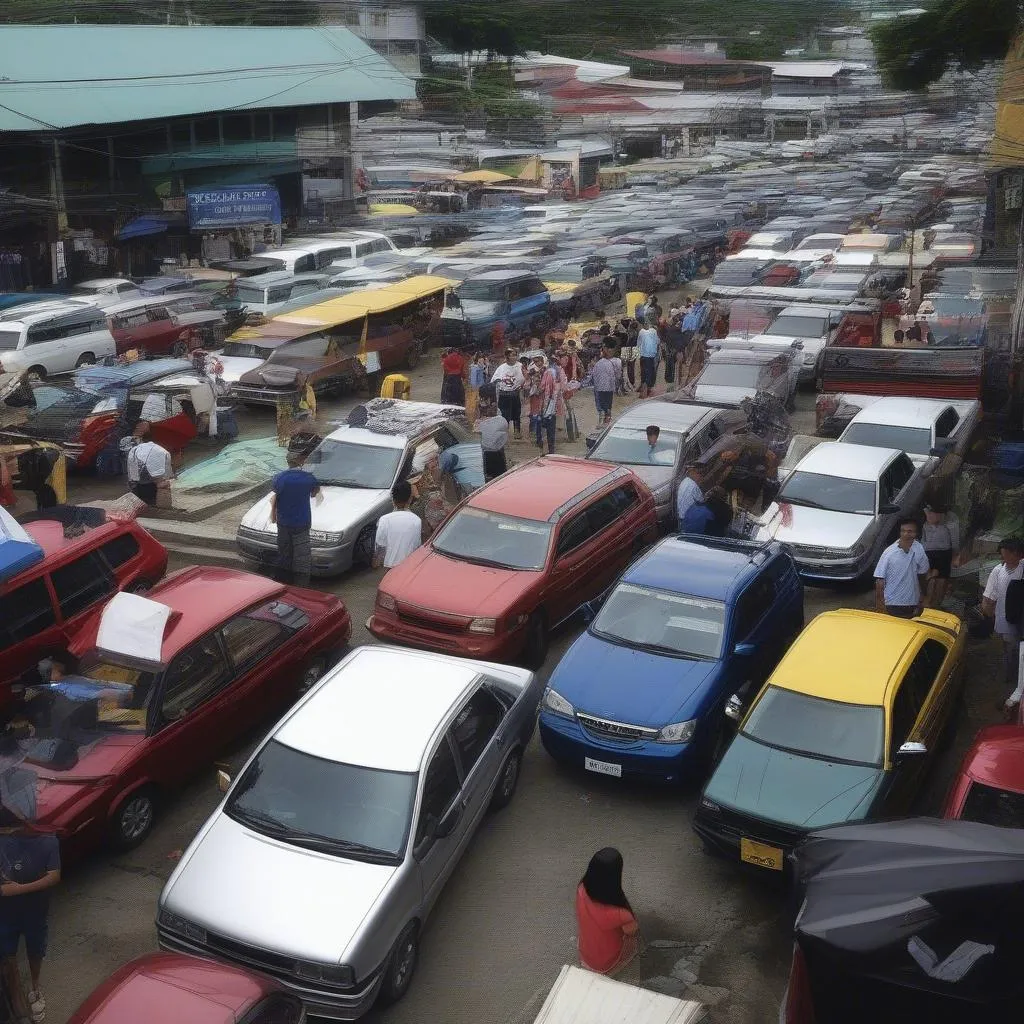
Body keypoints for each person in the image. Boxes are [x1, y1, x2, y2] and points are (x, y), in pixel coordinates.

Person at [0, 802, 60, 1024]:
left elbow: (54, 876)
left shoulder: (47, 840)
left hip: (35, 911)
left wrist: (17, 889)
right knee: (8, 955)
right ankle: (16, 998)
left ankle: (35, 988)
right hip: (5, 914)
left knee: (35, 951)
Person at [576, 848, 639, 976]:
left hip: (586, 950)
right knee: (633, 941)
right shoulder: (621, 914)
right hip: (606, 962)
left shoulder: (581, 889)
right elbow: (631, 932)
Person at [982, 537, 1024, 711]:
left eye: (1007, 552)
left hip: (1021, 617)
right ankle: (1011, 677)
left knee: (1018, 648)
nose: (1004, 556)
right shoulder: (998, 571)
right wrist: (987, 611)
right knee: (1009, 648)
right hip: (1004, 618)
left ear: (1017, 554)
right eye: (1003, 552)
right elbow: (989, 595)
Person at [269, 451, 320, 587]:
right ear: (300, 462)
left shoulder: (279, 478)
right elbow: (314, 493)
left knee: (284, 553)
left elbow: (275, 494)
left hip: (284, 523)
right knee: (302, 556)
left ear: (288, 462)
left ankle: (283, 584)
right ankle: (301, 586)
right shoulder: (309, 478)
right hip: (302, 523)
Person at [874, 518, 930, 618]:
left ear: (916, 533)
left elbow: (923, 575)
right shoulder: (889, 553)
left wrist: (923, 597)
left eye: (910, 531)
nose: (906, 534)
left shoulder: (919, 548)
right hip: (893, 603)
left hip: (913, 603)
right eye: (903, 531)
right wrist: (880, 606)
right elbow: (879, 581)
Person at [373, 481, 422, 570]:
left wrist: (376, 560)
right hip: (409, 567)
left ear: (393, 499)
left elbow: (380, 546)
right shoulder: (416, 520)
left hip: (390, 567)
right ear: (410, 499)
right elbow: (417, 546)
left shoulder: (384, 520)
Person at [124, 422, 172, 507]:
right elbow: (167, 474)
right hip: (155, 484)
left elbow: (132, 474)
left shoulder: (134, 450)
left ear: (141, 439)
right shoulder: (163, 451)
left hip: (140, 484)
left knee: (141, 505)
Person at [922, 504, 959, 609]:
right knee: (936, 577)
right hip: (936, 552)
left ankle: (933, 602)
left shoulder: (948, 522)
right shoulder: (926, 524)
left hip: (939, 552)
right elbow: (955, 540)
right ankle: (932, 602)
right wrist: (955, 552)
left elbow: (954, 539)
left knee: (937, 577)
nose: (930, 516)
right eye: (929, 514)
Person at [491, 349, 524, 440]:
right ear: (507, 356)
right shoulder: (501, 368)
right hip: (504, 394)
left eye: (515, 355)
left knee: (516, 413)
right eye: (512, 355)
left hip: (515, 394)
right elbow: (494, 379)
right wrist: (499, 381)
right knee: (504, 415)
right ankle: (504, 433)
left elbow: (525, 378)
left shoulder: (520, 366)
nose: (514, 357)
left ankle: (517, 432)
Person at [581, 345, 616, 427]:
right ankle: (608, 422)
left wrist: (583, 385)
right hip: (609, 388)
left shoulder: (597, 365)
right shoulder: (610, 363)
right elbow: (612, 376)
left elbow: (593, 377)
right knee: (608, 405)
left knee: (601, 406)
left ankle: (601, 422)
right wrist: (613, 387)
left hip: (600, 388)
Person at [539, 354, 567, 455]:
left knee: (544, 427)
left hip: (546, 403)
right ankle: (551, 450)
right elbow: (564, 387)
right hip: (555, 403)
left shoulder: (547, 372)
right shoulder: (560, 371)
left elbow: (542, 387)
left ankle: (545, 450)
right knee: (552, 427)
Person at [478, 401, 510, 480]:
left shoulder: (482, 423)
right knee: (500, 477)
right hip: (497, 454)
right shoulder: (502, 420)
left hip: (487, 454)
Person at [636, 318, 660, 398]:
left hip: (643, 355)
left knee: (643, 372)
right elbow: (657, 342)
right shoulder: (653, 331)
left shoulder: (641, 332)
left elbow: (638, 344)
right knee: (649, 372)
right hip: (651, 356)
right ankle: (646, 391)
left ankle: (643, 388)